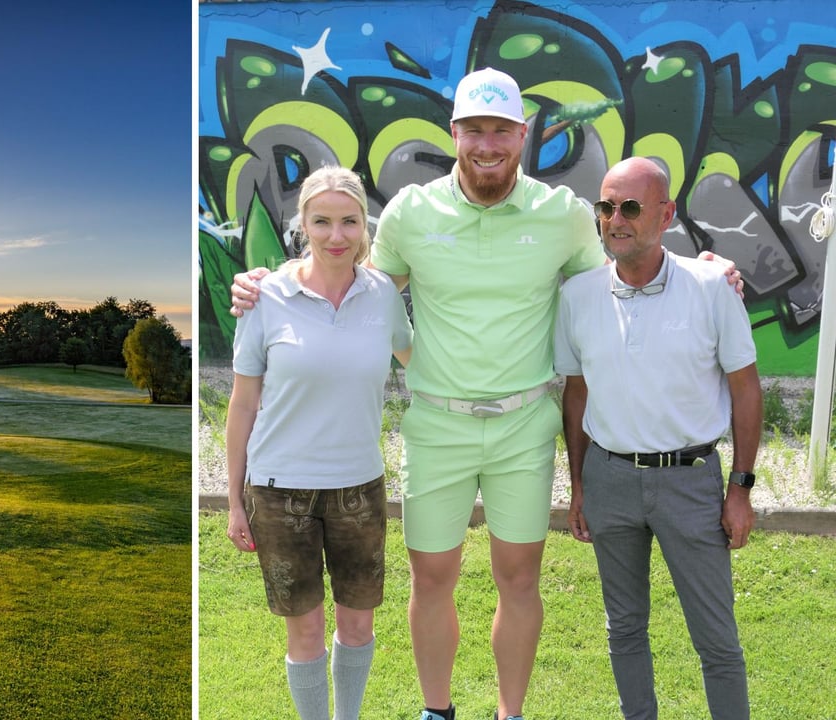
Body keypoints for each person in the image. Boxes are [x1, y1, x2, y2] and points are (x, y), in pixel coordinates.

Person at [229, 67, 742, 720]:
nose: (488, 144)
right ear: (454, 134)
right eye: (475, 130)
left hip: (524, 425)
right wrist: (267, 281)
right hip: (437, 426)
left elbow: (623, 268)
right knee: (432, 579)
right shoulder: (414, 214)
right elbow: (346, 276)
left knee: (519, 579)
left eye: (502, 130)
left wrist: (702, 266)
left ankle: (509, 713)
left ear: (522, 136)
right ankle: (437, 711)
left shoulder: (560, 216)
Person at [554, 157, 761, 719]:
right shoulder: (577, 297)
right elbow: (576, 395)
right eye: (606, 207)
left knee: (716, 640)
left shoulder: (712, 286)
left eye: (631, 207)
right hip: (610, 480)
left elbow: (746, 390)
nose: (615, 219)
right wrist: (578, 484)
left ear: (666, 214)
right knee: (623, 629)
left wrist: (740, 487)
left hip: (691, 484)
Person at [225, 165, 413, 720]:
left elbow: (418, 361)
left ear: (364, 226)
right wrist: (234, 501)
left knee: (357, 625)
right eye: (323, 221)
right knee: (303, 631)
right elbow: (242, 404)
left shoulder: (382, 295)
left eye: (349, 221)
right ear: (301, 224)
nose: (337, 236)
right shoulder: (263, 297)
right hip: (280, 494)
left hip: (359, 489)